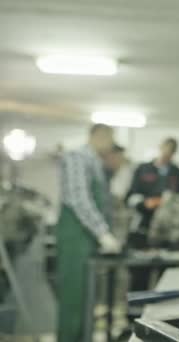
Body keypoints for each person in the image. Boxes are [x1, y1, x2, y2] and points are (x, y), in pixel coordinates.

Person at [55, 124, 121, 342]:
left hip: (86, 238)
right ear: (99, 136)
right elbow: (78, 199)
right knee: (73, 300)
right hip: (75, 238)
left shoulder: (94, 162)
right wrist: (102, 232)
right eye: (110, 139)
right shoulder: (77, 157)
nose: (111, 145)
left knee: (86, 301)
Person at [125, 137, 179, 290]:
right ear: (160, 148)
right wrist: (145, 203)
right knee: (140, 276)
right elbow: (130, 197)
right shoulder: (143, 169)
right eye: (166, 149)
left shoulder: (176, 172)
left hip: (167, 233)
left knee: (166, 278)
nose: (167, 154)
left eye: (171, 151)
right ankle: (134, 313)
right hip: (143, 230)